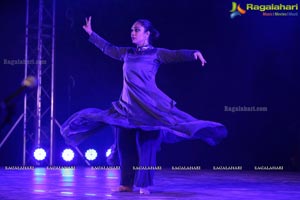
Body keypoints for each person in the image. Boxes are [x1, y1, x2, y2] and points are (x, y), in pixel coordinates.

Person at [61, 17, 227, 194]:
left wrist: (193, 53)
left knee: (147, 147)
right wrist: (91, 34)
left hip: (150, 108)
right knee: (125, 147)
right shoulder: (127, 53)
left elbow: (176, 54)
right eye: (132, 30)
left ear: (147, 34)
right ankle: (126, 183)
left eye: (137, 30)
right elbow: (108, 48)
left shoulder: (156, 53)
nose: (132, 33)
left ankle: (144, 184)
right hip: (126, 108)